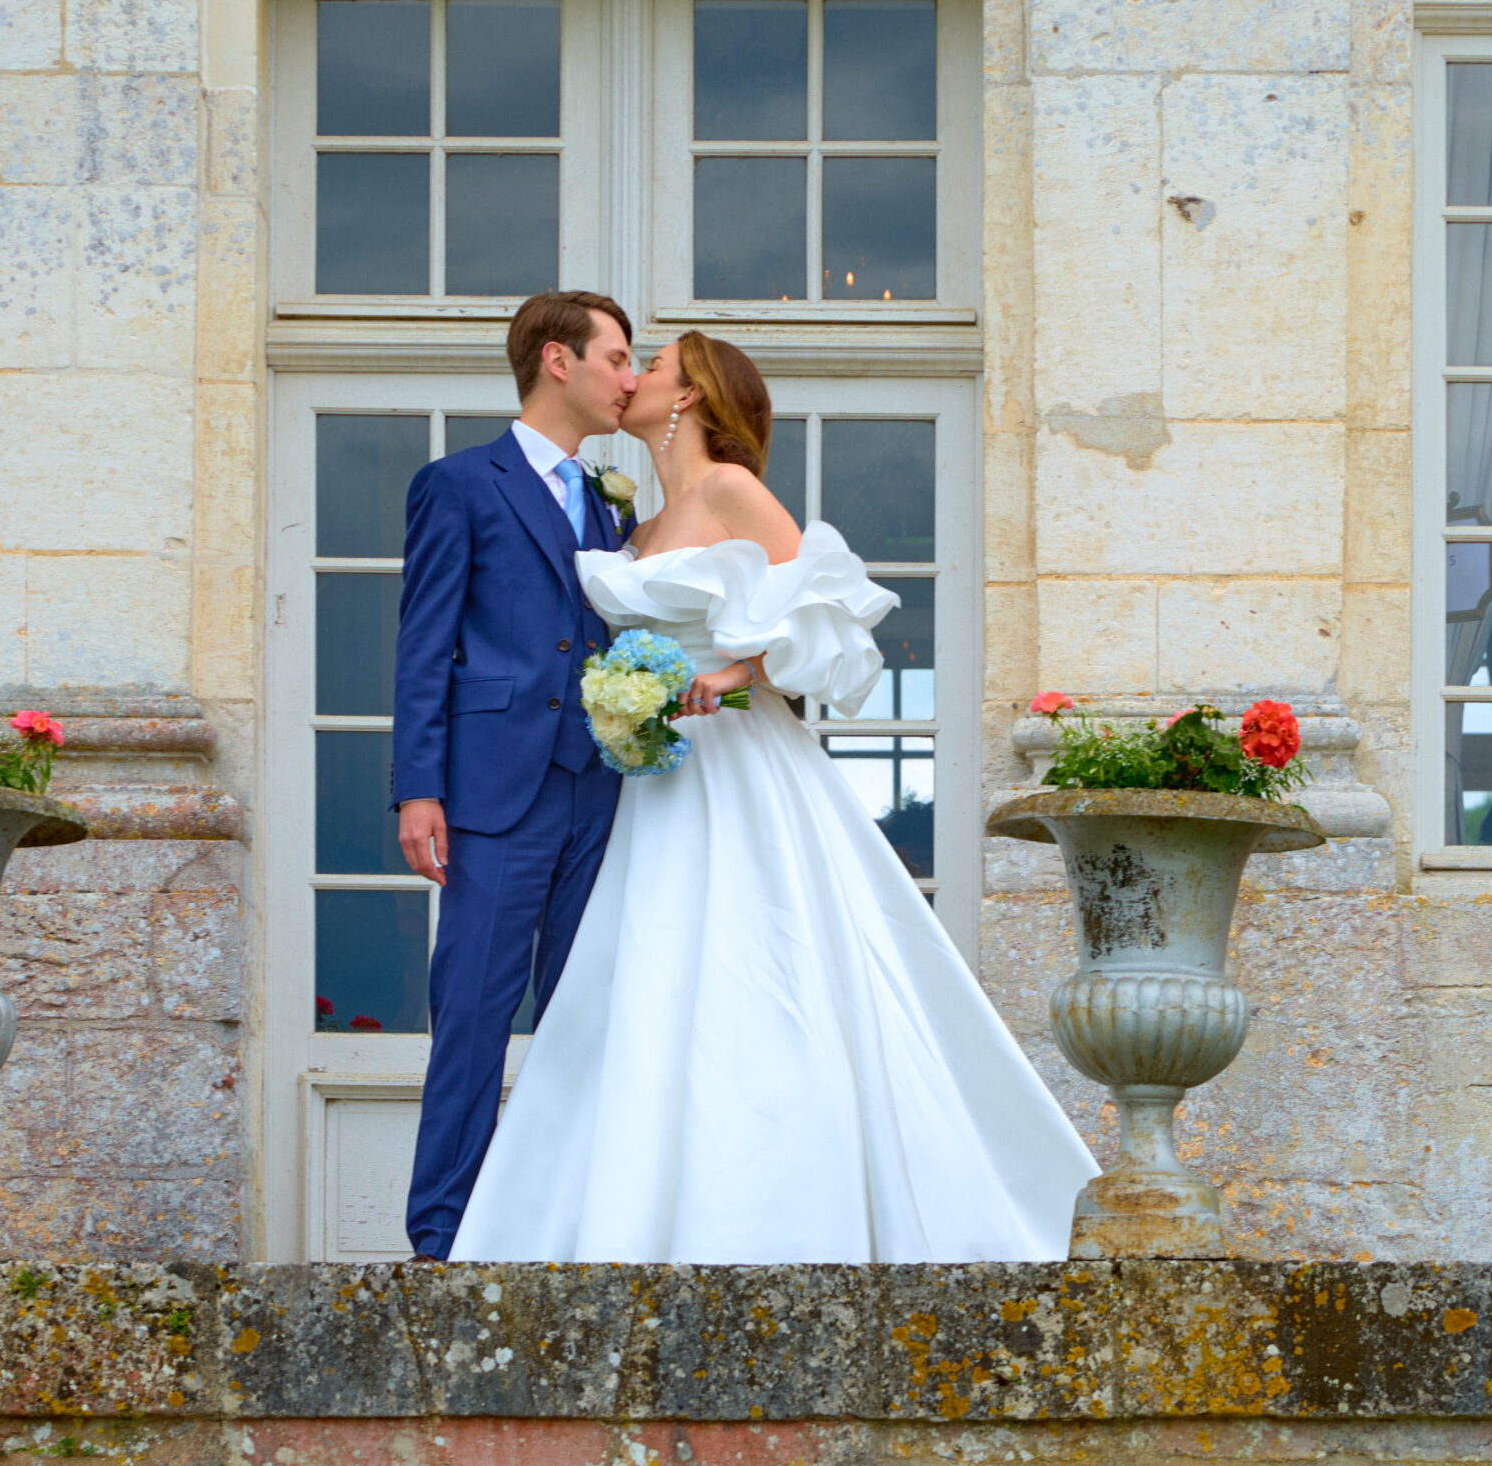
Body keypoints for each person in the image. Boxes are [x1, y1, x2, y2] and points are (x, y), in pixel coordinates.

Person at [449, 332, 1097, 1263]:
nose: (631, 378)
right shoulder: (627, 526)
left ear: (690, 396)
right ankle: (633, 1216)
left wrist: (737, 671)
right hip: (654, 783)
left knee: (762, 965)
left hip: (741, 768)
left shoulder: (729, 491)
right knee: (643, 983)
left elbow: (833, 626)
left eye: (653, 365)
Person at [391, 290, 639, 1263]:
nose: (630, 377)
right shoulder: (460, 484)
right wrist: (420, 787)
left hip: (602, 787)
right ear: (555, 361)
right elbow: (424, 645)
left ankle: (563, 1227)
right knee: (475, 1017)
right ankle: (441, 1238)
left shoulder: (612, 500)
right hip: (494, 791)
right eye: (617, 357)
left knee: (582, 1015)